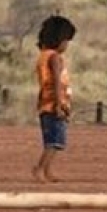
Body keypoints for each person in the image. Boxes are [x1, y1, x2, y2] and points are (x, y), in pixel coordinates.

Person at [32, 15, 76, 183]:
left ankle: (47, 170)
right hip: (53, 104)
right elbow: (57, 82)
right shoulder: (55, 58)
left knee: (50, 140)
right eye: (66, 41)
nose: (66, 45)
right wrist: (59, 105)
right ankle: (40, 169)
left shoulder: (43, 55)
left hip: (45, 102)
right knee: (55, 142)